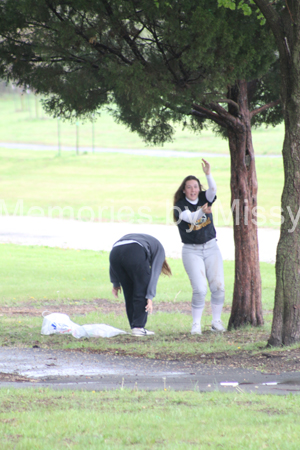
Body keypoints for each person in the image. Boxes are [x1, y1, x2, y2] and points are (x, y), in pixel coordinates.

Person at [173, 159, 225, 335]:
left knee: (218, 286)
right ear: (184, 189)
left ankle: (216, 322)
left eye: (196, 186)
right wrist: (203, 210)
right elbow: (192, 218)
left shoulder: (204, 197)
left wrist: (208, 173)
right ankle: (196, 324)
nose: (193, 190)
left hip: (211, 247)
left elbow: (213, 191)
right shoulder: (180, 206)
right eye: (189, 187)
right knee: (200, 289)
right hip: (191, 250)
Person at [109, 233, 172, 336]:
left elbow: (118, 253)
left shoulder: (149, 242)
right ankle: (138, 327)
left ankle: (135, 327)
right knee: (141, 289)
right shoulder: (160, 250)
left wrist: (115, 283)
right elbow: (154, 275)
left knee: (128, 291)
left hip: (114, 253)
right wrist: (150, 297)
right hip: (135, 251)